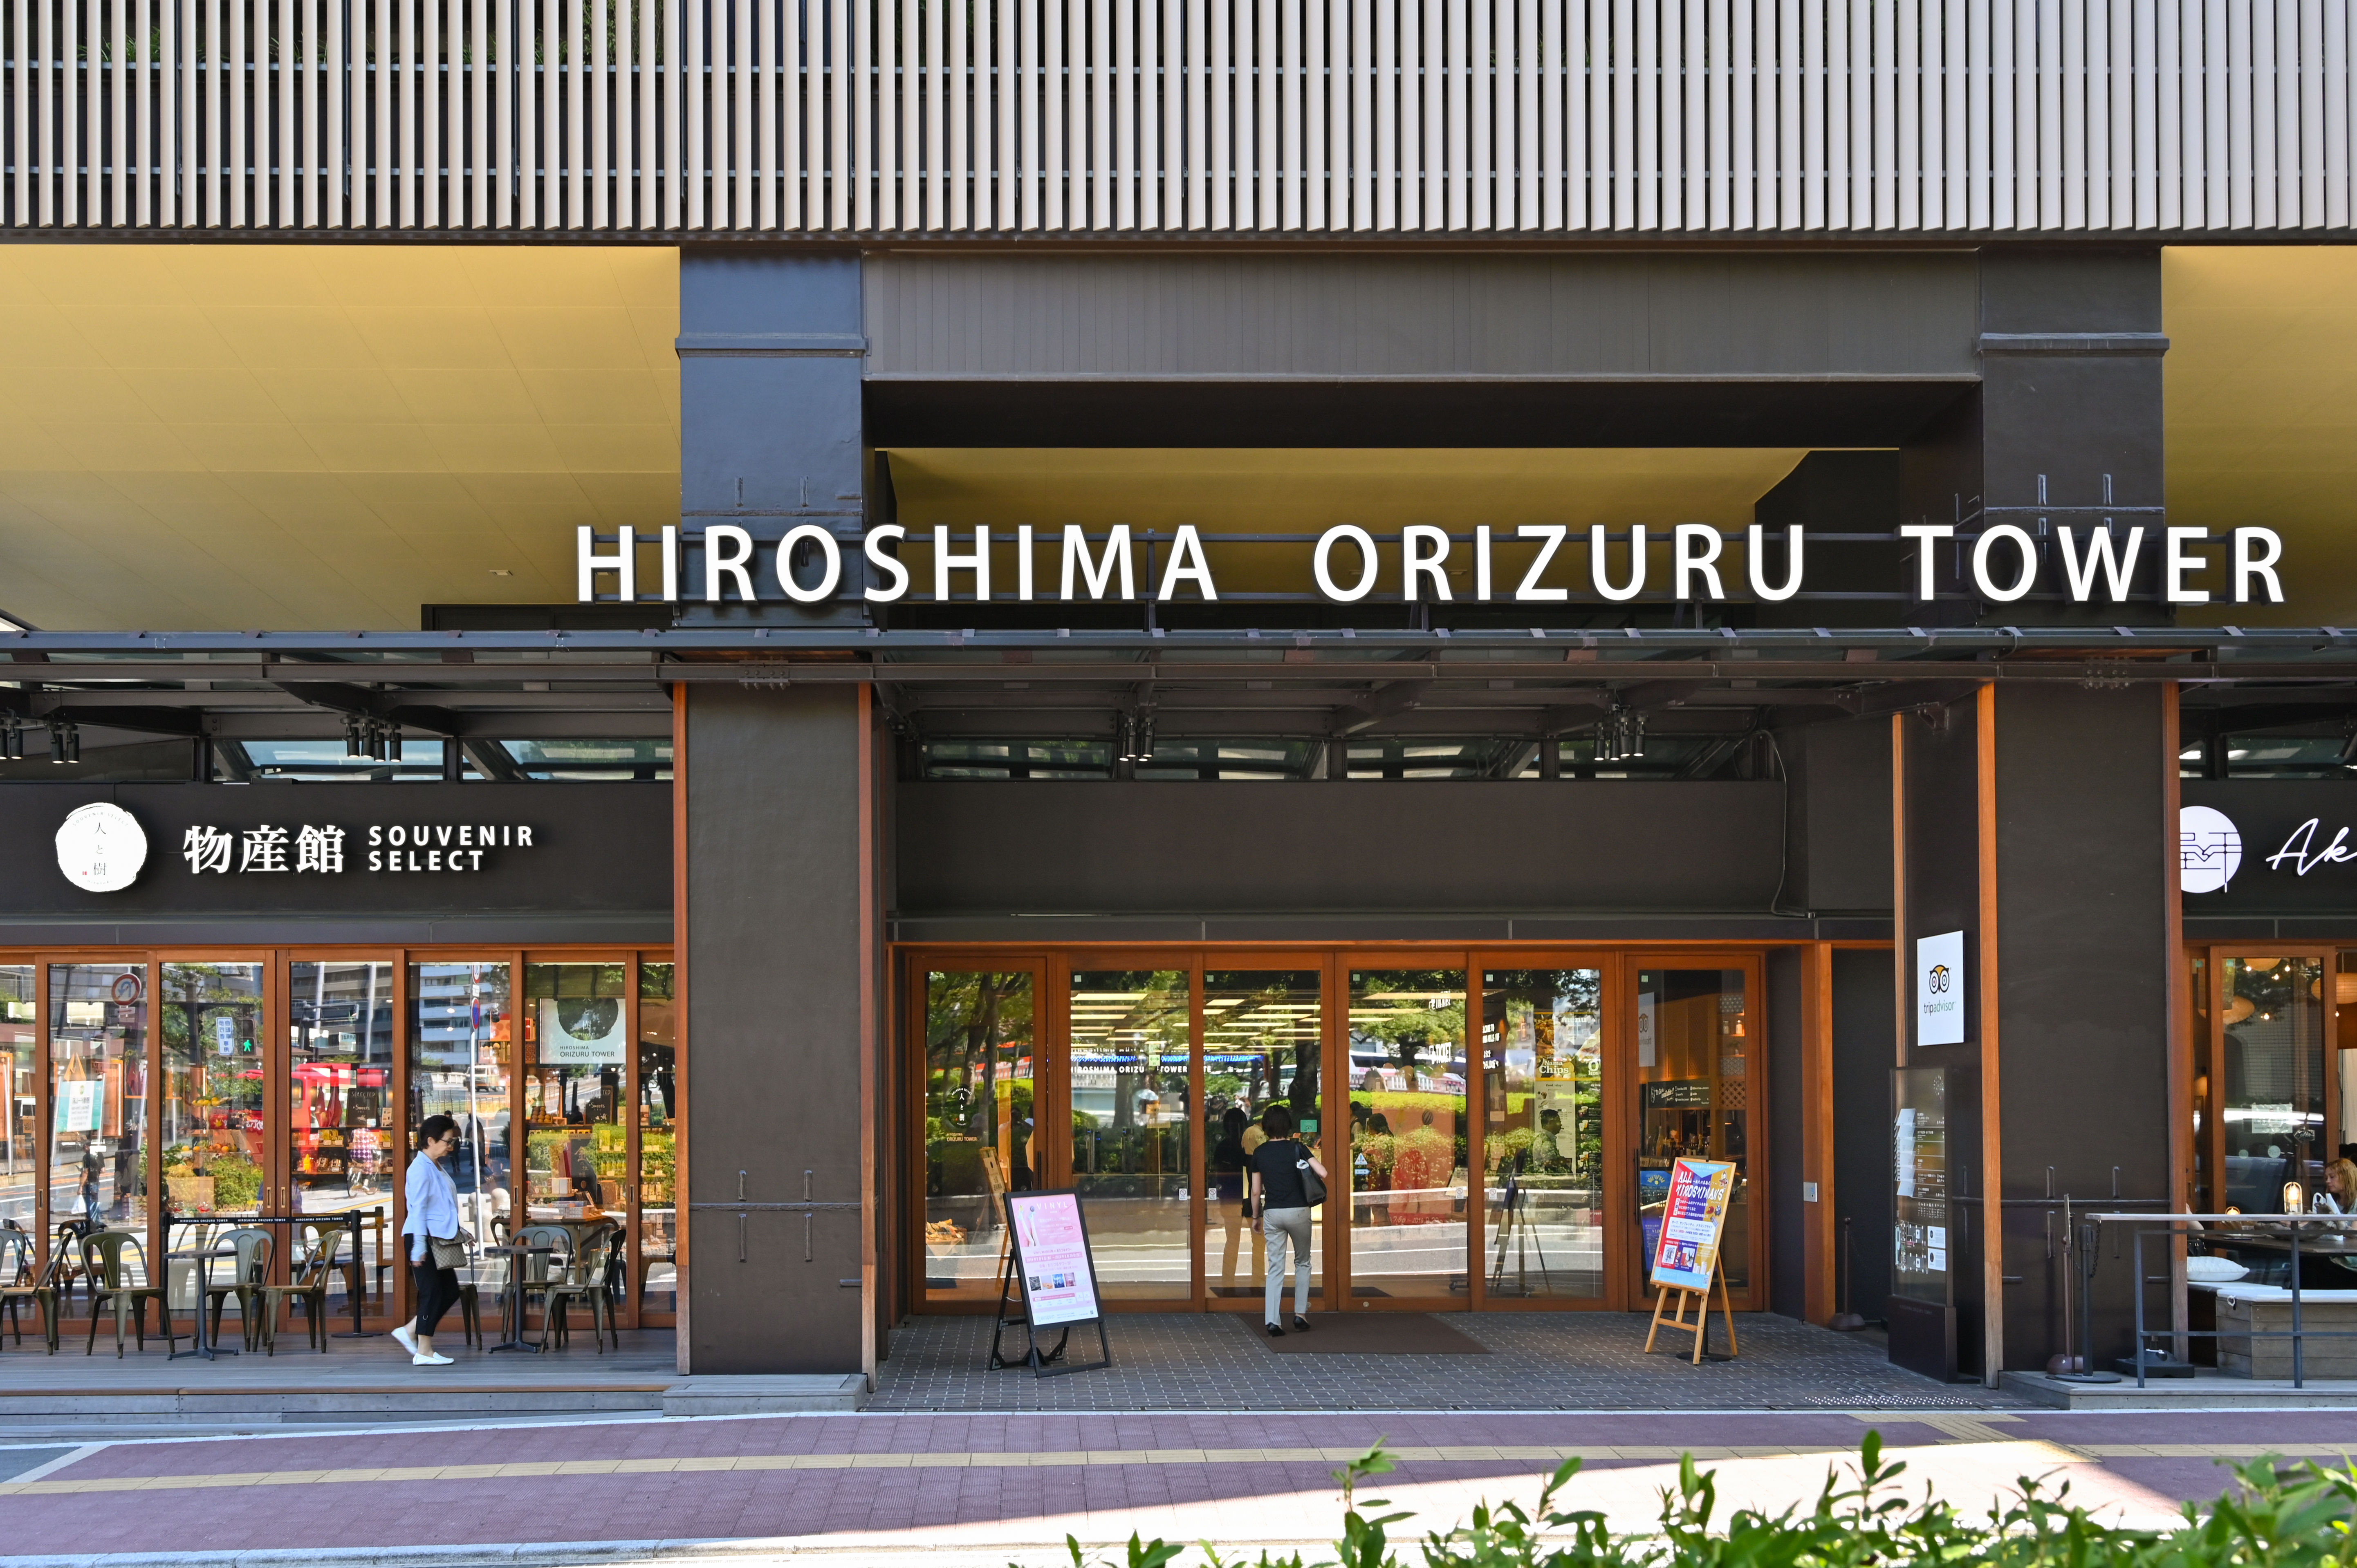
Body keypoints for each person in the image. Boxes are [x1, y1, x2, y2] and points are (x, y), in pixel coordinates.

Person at [1247, 1104, 1327, 1337]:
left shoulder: (1260, 1153)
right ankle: (1300, 1315)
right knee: (1303, 1262)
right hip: (1299, 1212)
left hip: (1273, 1213)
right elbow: (1323, 1173)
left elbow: (1255, 1192)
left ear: (1266, 1127)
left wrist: (1256, 1217)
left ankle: (1273, 1322)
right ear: (1288, 1125)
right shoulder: (1297, 1148)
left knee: (1275, 1267)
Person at [395, 1115, 464, 1366]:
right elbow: (419, 1210)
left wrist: (461, 1230)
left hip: (434, 1238)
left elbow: (442, 1206)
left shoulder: (435, 1165)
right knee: (433, 1292)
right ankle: (423, 1350)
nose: (451, 1146)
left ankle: (411, 1332)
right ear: (431, 1140)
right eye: (448, 1141)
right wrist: (419, 1247)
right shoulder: (420, 1168)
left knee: (449, 1291)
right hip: (422, 1238)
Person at [1210, 1108, 1250, 1284]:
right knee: (1260, 1243)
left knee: (1232, 1242)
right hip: (1251, 1198)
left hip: (1230, 1199)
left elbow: (1218, 1175)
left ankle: (1228, 1281)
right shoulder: (1250, 1146)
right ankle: (1258, 1280)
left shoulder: (1223, 1147)